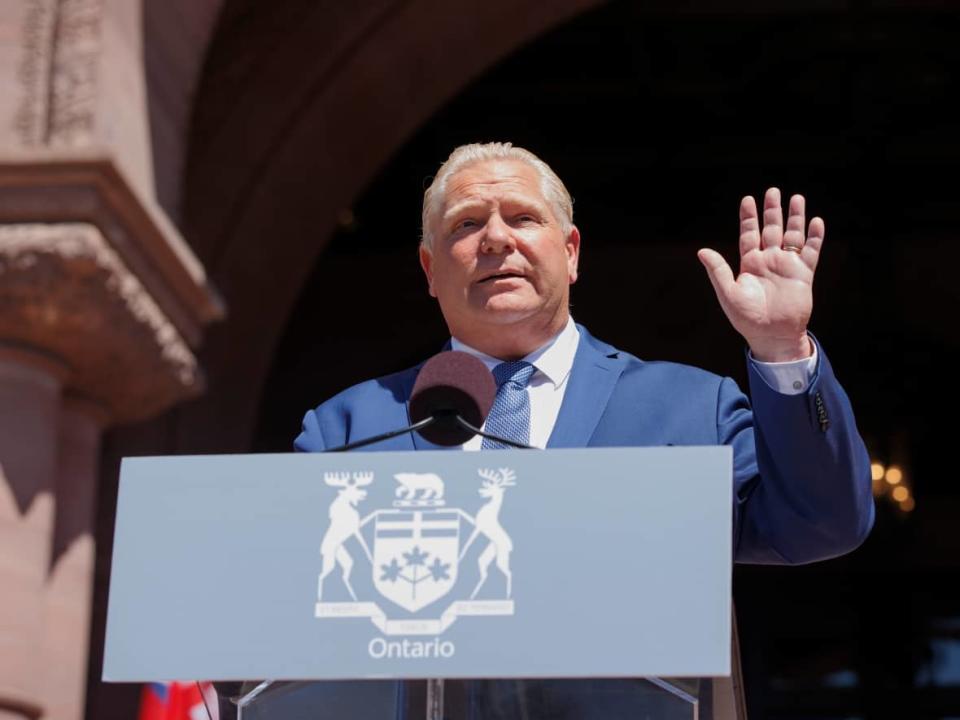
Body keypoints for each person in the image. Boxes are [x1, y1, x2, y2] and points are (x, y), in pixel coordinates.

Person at [294, 142, 874, 717]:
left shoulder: (689, 409)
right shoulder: (351, 427)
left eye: (523, 217)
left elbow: (821, 524)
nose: (496, 238)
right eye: (467, 224)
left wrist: (780, 348)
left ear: (571, 253)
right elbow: (286, 617)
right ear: (430, 269)